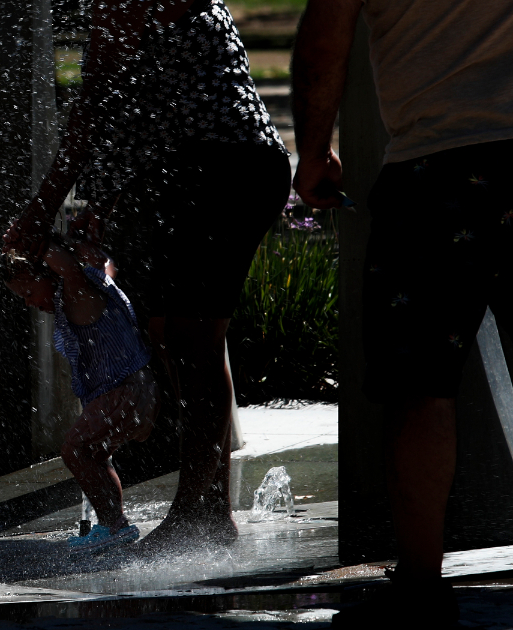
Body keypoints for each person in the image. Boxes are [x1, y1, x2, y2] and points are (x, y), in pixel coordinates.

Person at [3, 0, 290, 553]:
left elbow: (94, 103)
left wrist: (45, 204)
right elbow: (138, 105)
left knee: (191, 344)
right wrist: (108, 198)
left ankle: (196, 517)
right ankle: (208, 511)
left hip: (218, 170)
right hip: (183, 175)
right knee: (167, 338)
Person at [292, 1, 513, 625]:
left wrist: (314, 150)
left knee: (419, 387)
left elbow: (323, 40)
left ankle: (420, 586)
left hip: (437, 167)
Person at [3, 234, 159, 554]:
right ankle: (114, 524)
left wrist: (37, 240)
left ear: (51, 271)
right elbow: (105, 263)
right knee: (96, 455)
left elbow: (70, 267)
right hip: (139, 392)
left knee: (74, 449)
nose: (30, 302)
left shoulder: (76, 290)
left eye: (30, 292)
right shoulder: (96, 281)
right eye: (23, 298)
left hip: (124, 392)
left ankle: (113, 524)